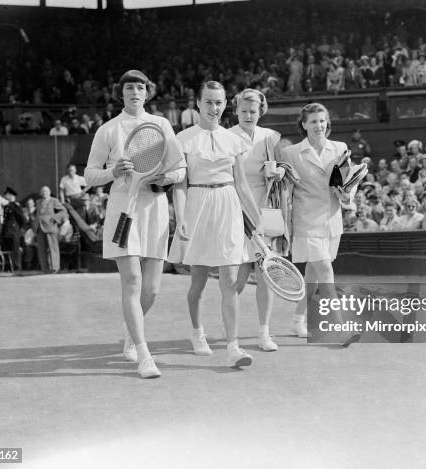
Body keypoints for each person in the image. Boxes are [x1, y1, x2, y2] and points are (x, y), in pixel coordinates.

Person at [85, 70, 186, 379]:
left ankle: (132, 333)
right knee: (132, 282)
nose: (135, 92)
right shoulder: (108, 130)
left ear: (147, 92)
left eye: (140, 87)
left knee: (152, 290)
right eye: (129, 87)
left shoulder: (162, 125)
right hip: (122, 212)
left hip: (154, 211)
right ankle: (144, 354)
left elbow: (180, 168)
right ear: (122, 92)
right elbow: (89, 175)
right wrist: (112, 172)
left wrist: (166, 178)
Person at [168, 81, 263, 368]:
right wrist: (182, 218)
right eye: (209, 102)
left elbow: (243, 185)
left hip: (228, 205)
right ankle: (198, 333)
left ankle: (233, 347)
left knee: (230, 282)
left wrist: (257, 221)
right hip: (197, 206)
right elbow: (180, 186)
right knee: (197, 282)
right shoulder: (183, 139)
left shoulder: (234, 140)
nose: (214, 108)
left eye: (219, 102)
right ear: (197, 103)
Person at [280, 102, 362, 343]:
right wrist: (284, 225)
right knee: (325, 272)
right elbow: (285, 191)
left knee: (314, 277)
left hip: (332, 220)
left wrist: (348, 195)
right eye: (313, 121)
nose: (318, 125)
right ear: (304, 125)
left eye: (322, 120)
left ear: (328, 124)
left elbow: (348, 183)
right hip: (306, 221)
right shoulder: (290, 153)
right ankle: (341, 328)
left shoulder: (340, 148)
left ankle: (298, 319)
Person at [228, 89, 288, 351]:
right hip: (235, 211)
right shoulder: (227, 137)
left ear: (261, 111)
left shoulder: (271, 137)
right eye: (243, 111)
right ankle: (233, 333)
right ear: (236, 111)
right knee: (237, 280)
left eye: (253, 111)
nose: (248, 115)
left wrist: (278, 172)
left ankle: (264, 333)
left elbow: (287, 166)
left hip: (265, 211)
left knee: (265, 275)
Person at [33, 185, 68, 274]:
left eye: (46, 191)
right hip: (39, 228)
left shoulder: (54, 201)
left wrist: (55, 218)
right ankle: (44, 268)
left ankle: (55, 268)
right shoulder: (38, 202)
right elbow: (36, 213)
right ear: (41, 193)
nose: (44, 193)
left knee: (53, 248)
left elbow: (63, 211)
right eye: (43, 191)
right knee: (41, 250)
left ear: (49, 192)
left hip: (50, 227)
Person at [0, 187, 25, 271]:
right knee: (7, 248)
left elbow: (22, 218)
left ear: (10, 195)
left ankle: (17, 267)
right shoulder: (7, 206)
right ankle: (9, 267)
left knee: (15, 250)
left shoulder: (15, 206)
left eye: (6, 194)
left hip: (14, 231)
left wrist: (17, 227)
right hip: (6, 231)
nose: (5, 196)